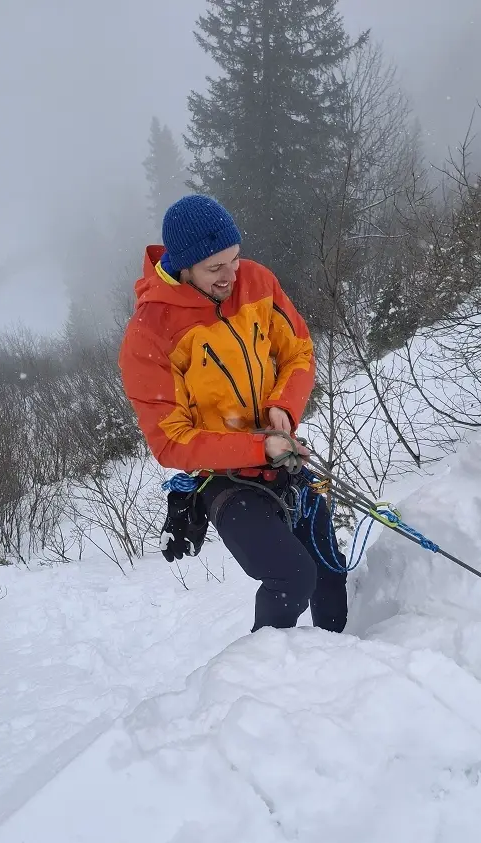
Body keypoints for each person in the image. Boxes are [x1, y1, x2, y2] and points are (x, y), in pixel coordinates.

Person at [119, 194, 347, 632]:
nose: (231, 275)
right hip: (223, 478)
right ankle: (263, 669)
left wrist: (284, 406)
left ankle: (339, 663)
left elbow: (298, 352)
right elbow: (171, 440)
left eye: (235, 259)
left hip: (281, 456)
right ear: (184, 267)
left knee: (329, 568)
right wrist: (259, 447)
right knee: (292, 577)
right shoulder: (150, 334)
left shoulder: (256, 282)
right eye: (215, 268)